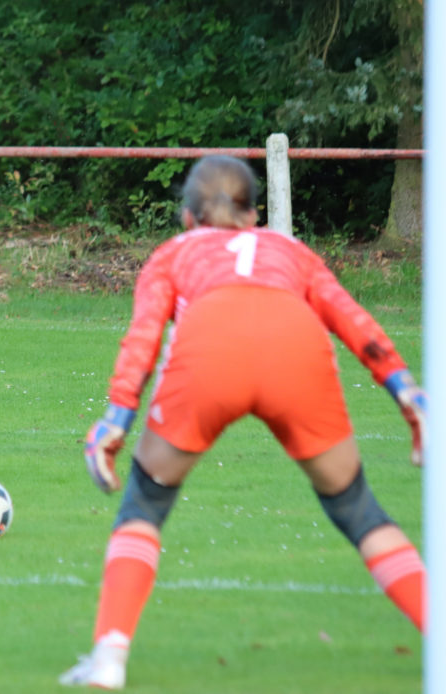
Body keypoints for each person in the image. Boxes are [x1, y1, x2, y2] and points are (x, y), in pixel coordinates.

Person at [60, 156, 427, 690]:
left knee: (145, 501)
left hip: (210, 347)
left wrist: (117, 416)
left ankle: (109, 656)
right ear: (255, 217)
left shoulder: (173, 253)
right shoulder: (291, 250)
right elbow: (351, 318)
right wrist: (403, 386)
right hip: (295, 346)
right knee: (357, 509)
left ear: (187, 218)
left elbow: (143, 340)